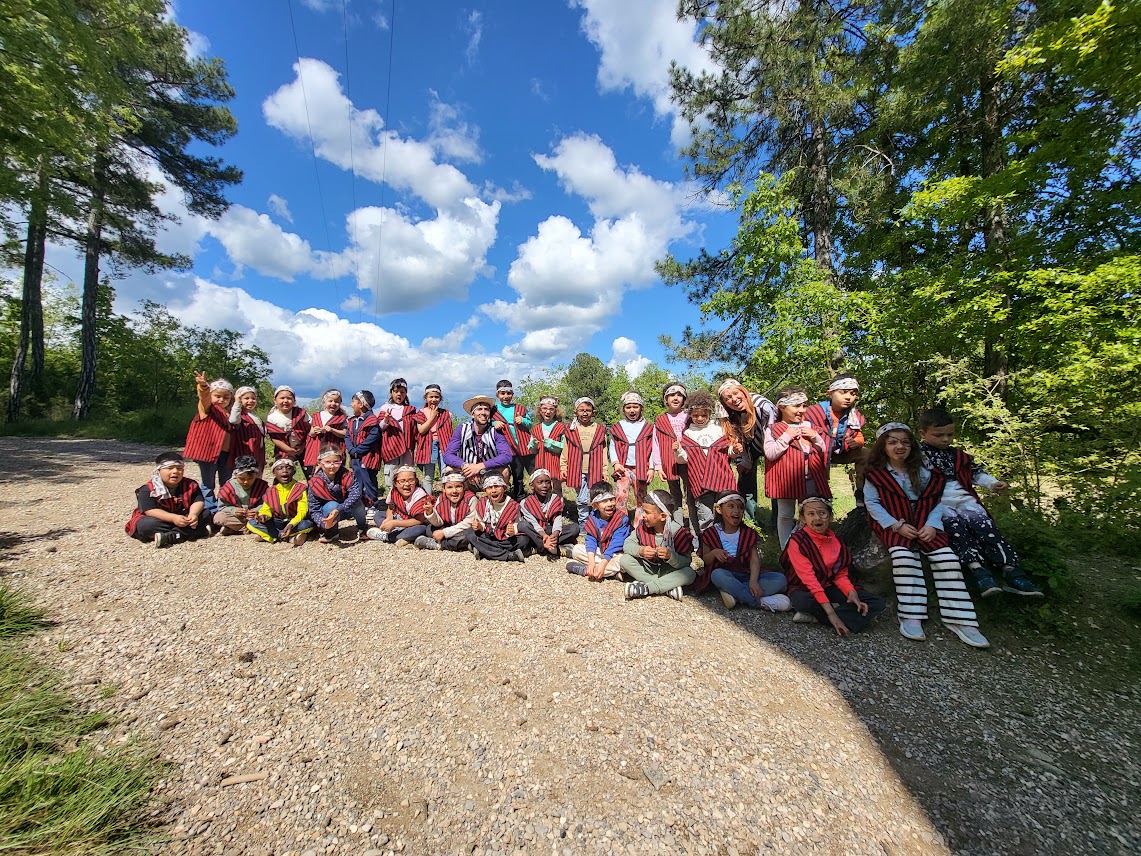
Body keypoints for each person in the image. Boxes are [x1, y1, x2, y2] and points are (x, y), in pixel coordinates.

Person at [864, 423, 989, 649]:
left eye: (905, 442)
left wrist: (932, 525)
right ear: (883, 447)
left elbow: (937, 501)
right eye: (892, 442)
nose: (900, 447)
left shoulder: (925, 471)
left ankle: (961, 619)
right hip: (895, 522)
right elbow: (872, 504)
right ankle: (911, 615)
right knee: (903, 557)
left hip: (925, 520)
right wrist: (896, 525)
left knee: (948, 560)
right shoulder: (875, 474)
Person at [917, 408, 1043, 598]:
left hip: (965, 498)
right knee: (955, 528)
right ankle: (978, 570)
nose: (945, 439)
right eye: (939, 435)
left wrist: (992, 483)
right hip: (937, 503)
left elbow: (975, 473)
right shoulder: (917, 456)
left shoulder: (958, 455)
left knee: (985, 526)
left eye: (950, 434)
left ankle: (1011, 570)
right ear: (923, 434)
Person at [780, 496, 887, 635]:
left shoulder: (836, 542)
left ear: (830, 517)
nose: (817, 518)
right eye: (811, 514)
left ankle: (817, 617)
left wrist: (851, 593)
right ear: (803, 518)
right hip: (804, 588)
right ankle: (837, 614)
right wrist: (831, 615)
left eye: (822, 513)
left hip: (828, 586)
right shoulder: (798, 542)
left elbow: (840, 575)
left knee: (876, 602)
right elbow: (809, 580)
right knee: (804, 602)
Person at [763, 386, 830, 549]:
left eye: (804, 405)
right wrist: (786, 437)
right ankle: (786, 549)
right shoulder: (774, 429)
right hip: (787, 480)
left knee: (810, 511)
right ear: (782, 407)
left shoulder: (811, 427)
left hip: (811, 479)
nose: (802, 410)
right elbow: (770, 453)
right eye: (796, 406)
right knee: (785, 515)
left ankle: (808, 544)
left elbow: (822, 450)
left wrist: (815, 437)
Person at [703, 491, 791, 610]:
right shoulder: (711, 533)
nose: (736, 511)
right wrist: (714, 553)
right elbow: (706, 560)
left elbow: (754, 560)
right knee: (716, 575)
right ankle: (761, 602)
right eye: (731, 506)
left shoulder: (748, 533)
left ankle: (735, 594)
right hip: (726, 573)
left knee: (781, 580)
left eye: (740, 507)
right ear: (719, 509)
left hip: (746, 573)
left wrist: (753, 581)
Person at [674, 391, 736, 533]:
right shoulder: (688, 433)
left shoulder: (718, 429)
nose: (700, 418)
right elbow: (683, 459)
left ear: (709, 413)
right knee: (705, 516)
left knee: (726, 512)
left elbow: (727, 452)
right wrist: (678, 451)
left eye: (704, 415)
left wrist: (735, 450)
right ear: (690, 414)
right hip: (700, 480)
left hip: (720, 477)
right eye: (695, 415)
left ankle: (727, 539)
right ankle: (707, 541)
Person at [619, 491, 696, 601]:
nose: (643, 515)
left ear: (663, 516)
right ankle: (667, 587)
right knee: (625, 560)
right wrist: (640, 551)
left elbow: (686, 562)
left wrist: (671, 556)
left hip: (670, 571)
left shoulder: (678, 533)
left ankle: (647, 588)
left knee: (690, 573)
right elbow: (627, 544)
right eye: (643, 511)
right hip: (649, 569)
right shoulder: (643, 528)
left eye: (646, 512)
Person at [805, 374, 868, 505]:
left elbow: (858, 435)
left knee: (867, 455)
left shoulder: (853, 415)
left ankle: (863, 494)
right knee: (810, 459)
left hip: (842, 451)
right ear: (830, 393)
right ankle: (815, 499)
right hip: (818, 452)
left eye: (853, 393)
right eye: (843, 392)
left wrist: (856, 443)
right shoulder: (814, 412)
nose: (848, 397)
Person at [125, 451, 208, 548]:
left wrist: (193, 514)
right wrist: (173, 518)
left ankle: (171, 536)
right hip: (160, 519)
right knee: (146, 525)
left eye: (179, 468)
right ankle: (189, 532)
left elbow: (198, 501)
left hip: (183, 517)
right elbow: (150, 510)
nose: (175, 471)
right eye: (169, 468)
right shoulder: (148, 489)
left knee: (206, 513)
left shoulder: (190, 484)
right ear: (159, 470)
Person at [716, 378, 778, 502]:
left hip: (773, 442)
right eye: (728, 398)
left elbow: (774, 434)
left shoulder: (762, 406)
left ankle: (778, 513)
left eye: (736, 393)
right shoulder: (727, 414)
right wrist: (743, 460)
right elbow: (734, 438)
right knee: (745, 476)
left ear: (743, 392)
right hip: (748, 446)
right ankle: (746, 510)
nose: (734, 399)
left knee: (776, 480)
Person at [183, 371, 234, 515]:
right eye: (217, 396)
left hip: (226, 453)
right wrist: (203, 386)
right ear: (211, 395)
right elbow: (203, 397)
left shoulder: (230, 413)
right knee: (208, 483)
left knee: (226, 482)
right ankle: (210, 510)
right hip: (208, 452)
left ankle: (224, 507)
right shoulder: (207, 409)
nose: (221, 399)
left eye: (226, 397)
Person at [652, 382, 699, 534]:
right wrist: (658, 466)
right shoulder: (660, 420)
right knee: (675, 496)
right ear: (666, 399)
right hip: (669, 461)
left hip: (688, 461)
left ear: (684, 399)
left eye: (679, 395)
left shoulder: (690, 417)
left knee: (690, 495)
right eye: (672, 395)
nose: (676, 398)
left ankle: (694, 529)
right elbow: (656, 443)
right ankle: (678, 529)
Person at [442, 395, 513, 491]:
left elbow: (506, 456)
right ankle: (462, 497)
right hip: (467, 473)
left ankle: (496, 496)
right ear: (472, 414)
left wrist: (480, 466)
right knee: (449, 469)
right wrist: (466, 466)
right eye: (479, 409)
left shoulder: (495, 431)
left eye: (486, 409)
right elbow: (448, 455)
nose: (483, 413)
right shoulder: (461, 429)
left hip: (488, 472)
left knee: (505, 471)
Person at [566, 481, 630, 580]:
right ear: (595, 505)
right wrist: (591, 562)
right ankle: (610, 572)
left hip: (616, 553)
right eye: (604, 501)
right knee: (576, 550)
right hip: (601, 551)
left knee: (623, 561)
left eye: (611, 500)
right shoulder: (593, 517)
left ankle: (586, 570)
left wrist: (603, 564)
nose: (610, 504)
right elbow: (591, 539)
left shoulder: (621, 519)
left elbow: (616, 544)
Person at [562, 397, 608, 525]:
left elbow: (604, 451)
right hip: (576, 468)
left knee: (596, 496)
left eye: (588, 410)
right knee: (582, 498)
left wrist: (604, 470)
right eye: (581, 410)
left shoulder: (599, 429)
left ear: (593, 412)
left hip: (595, 467)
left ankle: (595, 522)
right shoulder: (571, 429)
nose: (585, 413)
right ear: (575, 412)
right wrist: (563, 467)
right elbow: (565, 450)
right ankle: (583, 524)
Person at [308, 445, 367, 543]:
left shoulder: (348, 475)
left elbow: (356, 494)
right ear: (319, 462)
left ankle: (362, 528)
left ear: (341, 461)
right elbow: (314, 509)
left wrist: (339, 508)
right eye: (327, 462)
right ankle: (332, 531)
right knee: (331, 505)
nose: (332, 466)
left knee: (358, 502)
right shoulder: (314, 483)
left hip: (348, 508)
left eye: (336, 462)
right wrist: (323, 523)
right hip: (329, 513)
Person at [248, 457, 313, 546]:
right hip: (277, 522)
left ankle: (272, 535)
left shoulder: (300, 488)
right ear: (274, 473)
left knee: (307, 524)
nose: (285, 471)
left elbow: (302, 511)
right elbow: (266, 509)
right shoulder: (271, 490)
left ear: (294, 472)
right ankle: (286, 536)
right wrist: (263, 516)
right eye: (280, 468)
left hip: (294, 522)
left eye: (288, 468)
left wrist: (291, 524)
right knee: (252, 523)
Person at [610, 392, 654, 522]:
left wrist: (651, 468)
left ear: (641, 408)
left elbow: (653, 449)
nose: (632, 410)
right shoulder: (618, 427)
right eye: (628, 407)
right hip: (623, 468)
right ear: (624, 409)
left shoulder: (648, 428)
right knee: (620, 496)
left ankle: (639, 524)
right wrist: (616, 463)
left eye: (635, 406)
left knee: (641, 497)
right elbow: (613, 445)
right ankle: (621, 523)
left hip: (641, 468)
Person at [518, 468, 580, 560]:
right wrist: (544, 536)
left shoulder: (555, 499)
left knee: (575, 528)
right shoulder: (525, 503)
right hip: (536, 532)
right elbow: (534, 524)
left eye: (547, 482)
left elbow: (557, 520)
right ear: (532, 486)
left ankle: (539, 548)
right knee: (523, 526)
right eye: (540, 482)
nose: (544, 485)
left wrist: (555, 534)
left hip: (551, 530)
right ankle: (555, 549)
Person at [491, 379, 535, 501]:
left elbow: (530, 423)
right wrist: (494, 423)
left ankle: (539, 494)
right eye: (502, 393)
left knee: (534, 471)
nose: (506, 396)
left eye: (508, 393)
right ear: (497, 395)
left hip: (526, 445)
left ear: (512, 394)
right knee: (517, 474)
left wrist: (523, 420)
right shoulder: (494, 410)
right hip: (510, 448)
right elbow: (488, 423)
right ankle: (519, 496)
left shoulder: (520, 408)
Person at [466, 474, 526, 562]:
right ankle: (509, 555)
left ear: (504, 488)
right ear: (485, 490)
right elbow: (481, 523)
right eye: (490, 487)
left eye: (497, 486)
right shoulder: (483, 503)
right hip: (488, 536)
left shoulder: (513, 505)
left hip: (506, 538)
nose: (493, 490)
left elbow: (518, 525)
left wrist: (512, 531)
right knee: (470, 533)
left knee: (523, 540)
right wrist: (479, 526)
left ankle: (484, 550)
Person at [367, 464, 430, 546]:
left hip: (413, 523)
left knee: (421, 529)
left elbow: (419, 520)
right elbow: (390, 507)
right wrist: (389, 518)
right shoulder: (394, 491)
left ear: (416, 481)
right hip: (399, 518)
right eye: (402, 481)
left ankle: (388, 536)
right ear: (395, 483)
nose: (407, 484)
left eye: (411, 480)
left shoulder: (419, 495)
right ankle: (399, 535)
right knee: (378, 515)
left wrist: (394, 523)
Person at [417, 468, 477, 551]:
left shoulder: (471, 499)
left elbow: (468, 523)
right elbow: (439, 523)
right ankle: (461, 545)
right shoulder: (441, 499)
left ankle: (439, 545)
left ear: (464, 487)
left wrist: (444, 533)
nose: (454, 491)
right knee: (429, 529)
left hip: (462, 529)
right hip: (447, 527)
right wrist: (430, 512)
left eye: (458, 486)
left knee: (468, 535)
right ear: (444, 489)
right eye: (449, 487)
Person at [378, 378, 418, 490]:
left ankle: (406, 496)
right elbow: (380, 427)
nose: (399, 394)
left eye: (402, 392)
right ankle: (392, 496)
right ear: (391, 392)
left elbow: (414, 430)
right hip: (391, 446)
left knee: (406, 473)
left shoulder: (410, 410)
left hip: (407, 447)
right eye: (396, 391)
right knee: (391, 473)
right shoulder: (385, 408)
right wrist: (386, 419)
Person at [414, 384, 454, 495]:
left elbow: (449, 432)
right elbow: (421, 430)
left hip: (444, 445)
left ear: (440, 398)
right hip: (428, 445)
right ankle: (427, 497)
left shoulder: (446, 414)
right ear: (425, 398)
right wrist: (432, 417)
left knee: (446, 471)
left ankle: (447, 495)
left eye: (436, 397)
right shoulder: (421, 413)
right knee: (428, 475)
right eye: (431, 397)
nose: (433, 399)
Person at [213, 455, 269, 535]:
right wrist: (234, 511)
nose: (246, 482)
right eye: (241, 479)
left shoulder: (261, 486)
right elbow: (222, 507)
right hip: (237, 517)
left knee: (269, 517)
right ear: (235, 475)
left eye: (250, 478)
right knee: (219, 517)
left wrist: (256, 510)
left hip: (256, 516)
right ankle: (251, 527)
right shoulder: (228, 487)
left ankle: (235, 529)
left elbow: (267, 503)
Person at [346, 390, 381, 508]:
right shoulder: (352, 421)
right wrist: (351, 449)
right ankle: (360, 505)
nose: (351, 405)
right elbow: (347, 436)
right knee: (357, 480)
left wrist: (359, 450)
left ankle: (372, 505)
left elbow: (372, 438)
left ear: (361, 404)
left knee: (368, 481)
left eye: (353, 402)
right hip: (355, 457)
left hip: (368, 457)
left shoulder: (372, 421)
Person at [303, 389, 348, 478]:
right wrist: (314, 431)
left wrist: (332, 430)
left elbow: (345, 433)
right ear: (324, 402)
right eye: (330, 401)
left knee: (333, 472)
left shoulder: (342, 418)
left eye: (337, 401)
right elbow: (311, 433)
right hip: (317, 447)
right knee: (314, 473)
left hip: (333, 447)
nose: (333, 403)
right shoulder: (317, 416)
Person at [264, 385, 310, 470]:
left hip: (303, 447)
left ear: (294, 401)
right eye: (282, 398)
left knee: (309, 469)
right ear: (275, 400)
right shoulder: (272, 417)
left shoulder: (300, 413)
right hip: (283, 450)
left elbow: (310, 429)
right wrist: (289, 450)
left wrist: (303, 445)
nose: (285, 401)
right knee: (284, 471)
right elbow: (274, 438)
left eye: (289, 398)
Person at [531, 396, 567, 499]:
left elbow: (565, 446)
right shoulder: (536, 428)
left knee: (556, 486)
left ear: (556, 411)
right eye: (544, 408)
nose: (548, 412)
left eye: (551, 409)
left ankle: (558, 506)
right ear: (540, 410)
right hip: (540, 462)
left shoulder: (561, 427)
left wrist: (552, 443)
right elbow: (531, 449)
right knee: (541, 487)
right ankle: (542, 506)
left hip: (555, 461)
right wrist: (534, 444)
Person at [228, 386, 265, 469]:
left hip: (257, 451)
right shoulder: (239, 415)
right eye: (246, 398)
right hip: (244, 452)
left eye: (253, 398)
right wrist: (237, 402)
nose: (250, 401)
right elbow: (233, 420)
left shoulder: (256, 418)